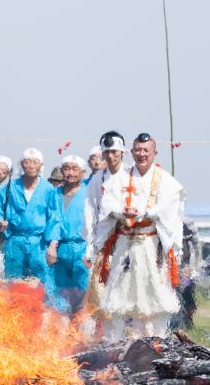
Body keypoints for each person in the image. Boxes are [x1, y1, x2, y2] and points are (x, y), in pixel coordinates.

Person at [94, 133, 184, 340]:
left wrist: (145, 213)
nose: (141, 154)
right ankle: (119, 342)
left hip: (151, 244)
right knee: (119, 295)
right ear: (131, 152)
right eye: (138, 150)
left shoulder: (165, 180)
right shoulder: (120, 177)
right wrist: (121, 212)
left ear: (154, 153)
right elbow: (107, 202)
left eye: (146, 151)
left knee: (154, 294)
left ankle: (157, 339)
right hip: (125, 243)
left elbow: (170, 205)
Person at [0, 149, 62, 309]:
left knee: (43, 282)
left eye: (35, 162)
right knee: (13, 282)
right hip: (15, 241)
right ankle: (14, 317)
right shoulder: (10, 188)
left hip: (39, 242)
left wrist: (53, 246)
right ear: (21, 164)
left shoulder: (48, 190)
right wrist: (2, 225)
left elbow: (55, 218)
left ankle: (43, 318)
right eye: (27, 162)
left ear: (41, 166)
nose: (31, 166)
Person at [82, 131, 129, 320]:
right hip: (103, 243)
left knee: (126, 290)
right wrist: (89, 247)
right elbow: (90, 212)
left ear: (122, 152)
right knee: (101, 294)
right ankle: (107, 337)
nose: (111, 156)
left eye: (114, 152)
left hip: (128, 241)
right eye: (107, 152)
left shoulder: (132, 175)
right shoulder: (97, 179)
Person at [48, 155, 90, 314]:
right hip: (61, 248)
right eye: (67, 168)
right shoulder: (55, 194)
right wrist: (52, 246)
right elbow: (53, 220)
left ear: (82, 173)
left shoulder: (89, 193)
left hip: (82, 247)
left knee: (83, 291)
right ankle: (63, 331)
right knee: (60, 293)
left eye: (74, 169)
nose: (70, 173)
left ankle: (84, 330)